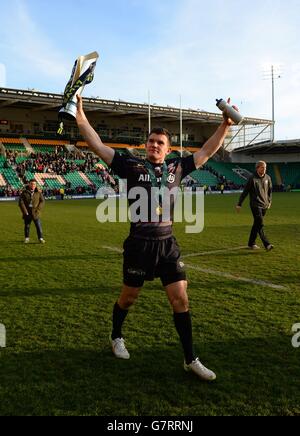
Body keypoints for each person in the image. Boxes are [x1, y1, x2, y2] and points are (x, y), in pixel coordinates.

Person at [76, 95, 237, 382]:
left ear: (168, 149)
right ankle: (116, 336)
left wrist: (224, 125)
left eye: (159, 143)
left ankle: (190, 358)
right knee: (128, 298)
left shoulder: (178, 168)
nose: (154, 145)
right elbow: (98, 146)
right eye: (151, 141)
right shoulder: (130, 166)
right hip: (139, 245)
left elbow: (208, 151)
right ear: (146, 145)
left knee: (180, 300)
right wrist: (80, 116)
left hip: (167, 244)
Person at [236, 161, 273, 251]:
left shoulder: (268, 177)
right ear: (257, 168)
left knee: (256, 224)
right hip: (255, 204)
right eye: (262, 167)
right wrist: (239, 204)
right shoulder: (252, 178)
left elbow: (270, 191)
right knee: (260, 223)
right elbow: (245, 192)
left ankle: (251, 243)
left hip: (264, 205)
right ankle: (267, 244)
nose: (264, 169)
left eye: (265, 167)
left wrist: (269, 201)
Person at [19, 179, 46, 244]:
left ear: (36, 184)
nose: (33, 185)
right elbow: (21, 202)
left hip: (36, 213)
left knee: (38, 226)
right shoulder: (24, 192)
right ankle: (27, 238)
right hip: (27, 213)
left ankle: (40, 238)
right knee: (27, 226)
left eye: (34, 184)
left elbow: (42, 201)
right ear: (29, 184)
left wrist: (38, 210)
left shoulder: (38, 192)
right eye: (31, 184)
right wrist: (25, 212)